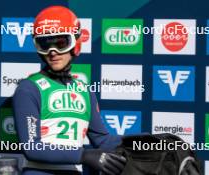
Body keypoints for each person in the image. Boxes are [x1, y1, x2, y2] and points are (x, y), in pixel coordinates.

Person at [12, 5, 126, 175]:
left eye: (60, 43)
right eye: (45, 44)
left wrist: (149, 142)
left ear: (75, 43)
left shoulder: (83, 89)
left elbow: (103, 140)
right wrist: (84, 155)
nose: (53, 52)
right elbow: (32, 147)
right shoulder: (28, 89)